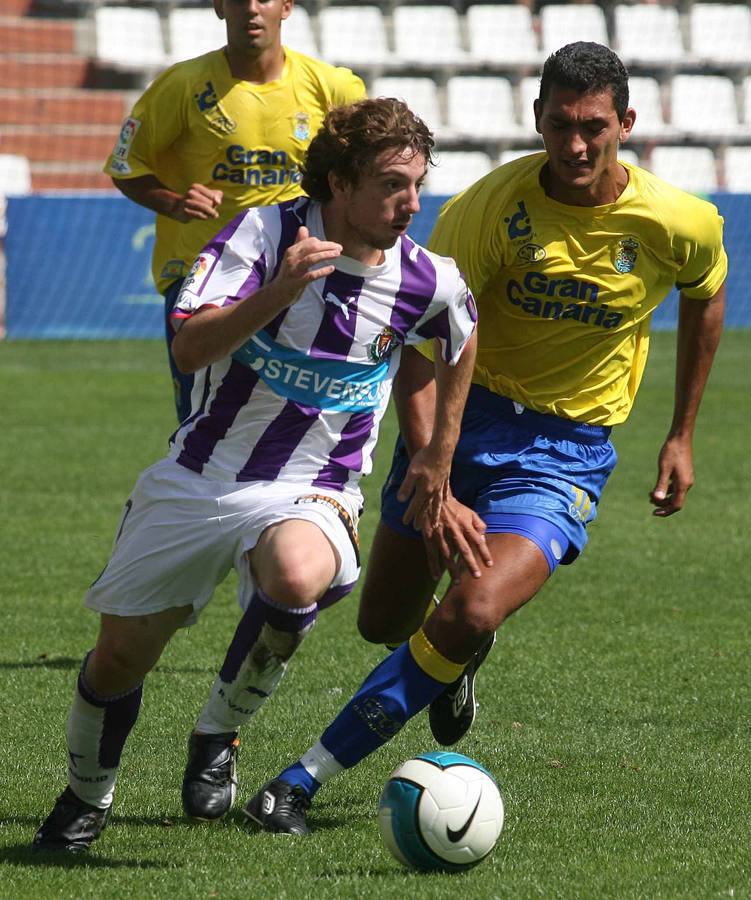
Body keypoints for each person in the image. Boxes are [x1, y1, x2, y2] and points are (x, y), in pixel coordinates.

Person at [240, 41, 727, 835]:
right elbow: (426, 336)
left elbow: (706, 292)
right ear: (535, 118)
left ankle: (298, 781)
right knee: (385, 621)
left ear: (626, 124)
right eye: (560, 125)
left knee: (467, 611)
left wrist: (681, 434)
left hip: (565, 451)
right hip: (461, 428)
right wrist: (435, 464)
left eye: (593, 127)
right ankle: (451, 663)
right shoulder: (485, 212)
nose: (575, 145)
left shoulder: (678, 221)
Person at [32, 98, 479, 853]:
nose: (410, 202)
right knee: (118, 661)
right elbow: (188, 350)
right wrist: (279, 293)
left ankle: (218, 735)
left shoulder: (425, 279)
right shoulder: (264, 235)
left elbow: (460, 338)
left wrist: (435, 456)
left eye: (416, 183)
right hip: (200, 475)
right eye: (390, 185)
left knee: (295, 575)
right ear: (336, 183)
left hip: (315, 486)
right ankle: (85, 797)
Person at [104, 0, 365, 422]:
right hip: (205, 277)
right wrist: (173, 202)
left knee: (296, 422)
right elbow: (124, 165)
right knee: (201, 421)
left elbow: (365, 171)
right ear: (219, 7)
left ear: (286, 7)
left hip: (296, 275)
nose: (251, 8)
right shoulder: (181, 85)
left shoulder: (332, 88)